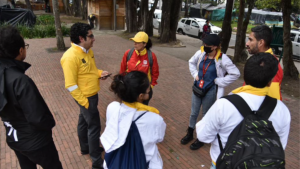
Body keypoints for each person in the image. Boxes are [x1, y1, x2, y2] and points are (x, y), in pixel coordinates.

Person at [195, 53, 291, 169]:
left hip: (224, 164)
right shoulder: (282, 110)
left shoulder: (223, 105)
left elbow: (203, 136)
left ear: (245, 76)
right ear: (270, 82)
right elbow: (280, 145)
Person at [0, 27, 63, 169]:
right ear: (20, 51)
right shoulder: (21, 81)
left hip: (14, 138)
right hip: (36, 142)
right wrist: (50, 124)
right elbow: (39, 118)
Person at [60, 23, 110, 169]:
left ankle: (85, 148)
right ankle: (96, 162)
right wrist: (85, 103)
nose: (94, 39)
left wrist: (101, 74)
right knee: (94, 127)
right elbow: (70, 85)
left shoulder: (88, 51)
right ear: (81, 38)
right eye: (91, 36)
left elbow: (91, 71)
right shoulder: (69, 57)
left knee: (83, 122)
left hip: (92, 95)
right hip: (86, 98)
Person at [181, 34, 240, 150]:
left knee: (206, 114)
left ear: (214, 47)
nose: (204, 46)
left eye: (207, 45)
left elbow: (235, 73)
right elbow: (191, 62)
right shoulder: (201, 53)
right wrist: (195, 74)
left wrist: (220, 81)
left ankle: (201, 138)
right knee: (194, 112)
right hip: (198, 87)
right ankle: (189, 133)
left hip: (211, 90)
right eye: (204, 44)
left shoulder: (222, 58)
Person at [100, 71, 166, 169]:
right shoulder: (155, 119)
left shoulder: (112, 107)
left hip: (114, 162)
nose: (149, 92)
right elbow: (159, 138)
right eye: (148, 91)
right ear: (141, 96)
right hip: (143, 163)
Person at [119, 31, 159, 105]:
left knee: (142, 111)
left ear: (144, 44)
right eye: (134, 41)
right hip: (129, 89)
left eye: (138, 42)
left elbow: (155, 73)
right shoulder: (128, 53)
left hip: (144, 91)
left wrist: (150, 86)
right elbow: (122, 71)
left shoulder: (151, 56)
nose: (135, 44)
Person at [246, 25, 283, 100]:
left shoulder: (272, 65)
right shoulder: (260, 60)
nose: (247, 43)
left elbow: (272, 100)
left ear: (261, 42)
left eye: (250, 40)